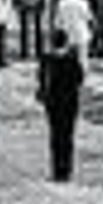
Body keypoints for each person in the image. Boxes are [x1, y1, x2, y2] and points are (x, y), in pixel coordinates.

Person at [38, 29, 85, 182]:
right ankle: (67, 170)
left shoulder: (47, 59)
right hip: (70, 102)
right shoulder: (72, 59)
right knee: (68, 136)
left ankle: (57, 169)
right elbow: (80, 79)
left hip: (53, 102)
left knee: (55, 136)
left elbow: (41, 79)